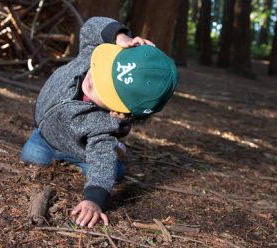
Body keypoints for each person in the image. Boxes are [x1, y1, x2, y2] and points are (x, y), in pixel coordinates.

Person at [21, 17, 178, 228]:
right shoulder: (91, 54)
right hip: (44, 137)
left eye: (104, 86)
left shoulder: (102, 127)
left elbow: (101, 167)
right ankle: (109, 152)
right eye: (101, 69)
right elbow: (91, 26)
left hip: (80, 150)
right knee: (31, 156)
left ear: (118, 111)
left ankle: (113, 152)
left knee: (108, 168)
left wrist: (94, 200)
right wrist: (119, 36)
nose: (92, 78)